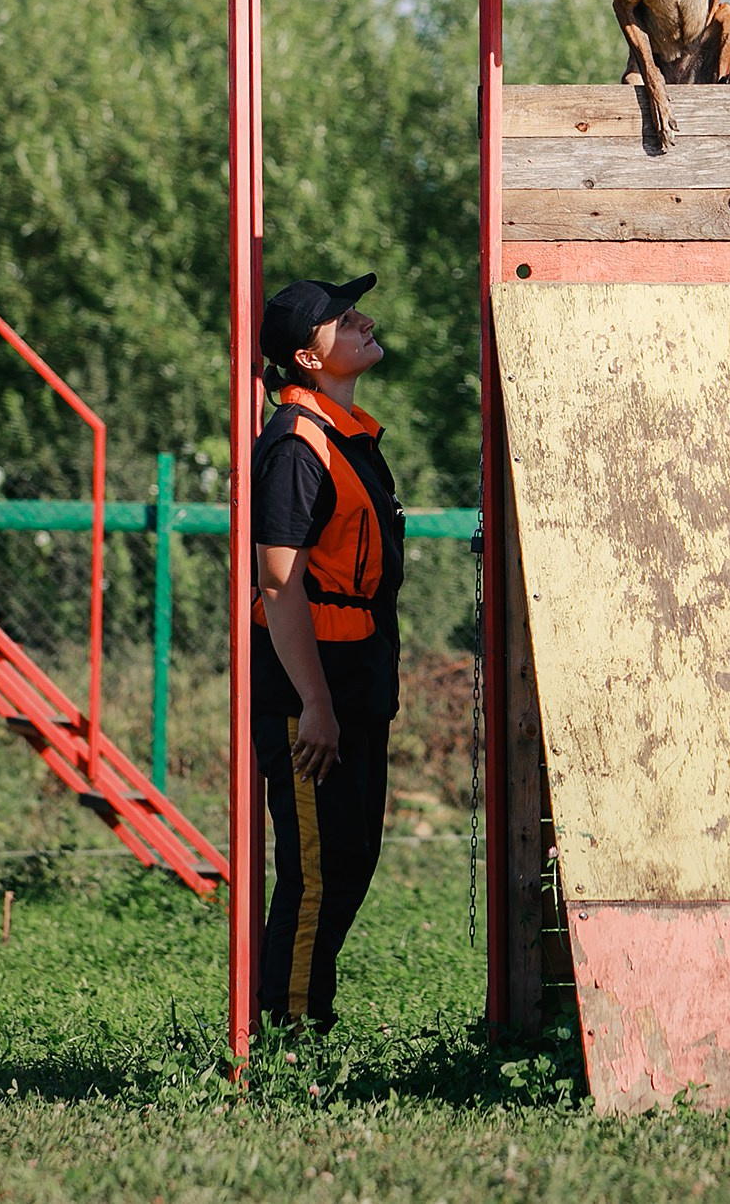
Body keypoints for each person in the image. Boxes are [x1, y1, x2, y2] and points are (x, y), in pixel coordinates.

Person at [249, 273, 405, 1031]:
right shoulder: (293, 447)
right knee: (315, 876)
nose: (363, 321)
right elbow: (280, 588)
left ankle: (301, 1023)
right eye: (342, 320)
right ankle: (290, 1044)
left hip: (357, 673)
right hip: (308, 687)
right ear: (307, 358)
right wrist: (314, 703)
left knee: (350, 863)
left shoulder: (350, 435)